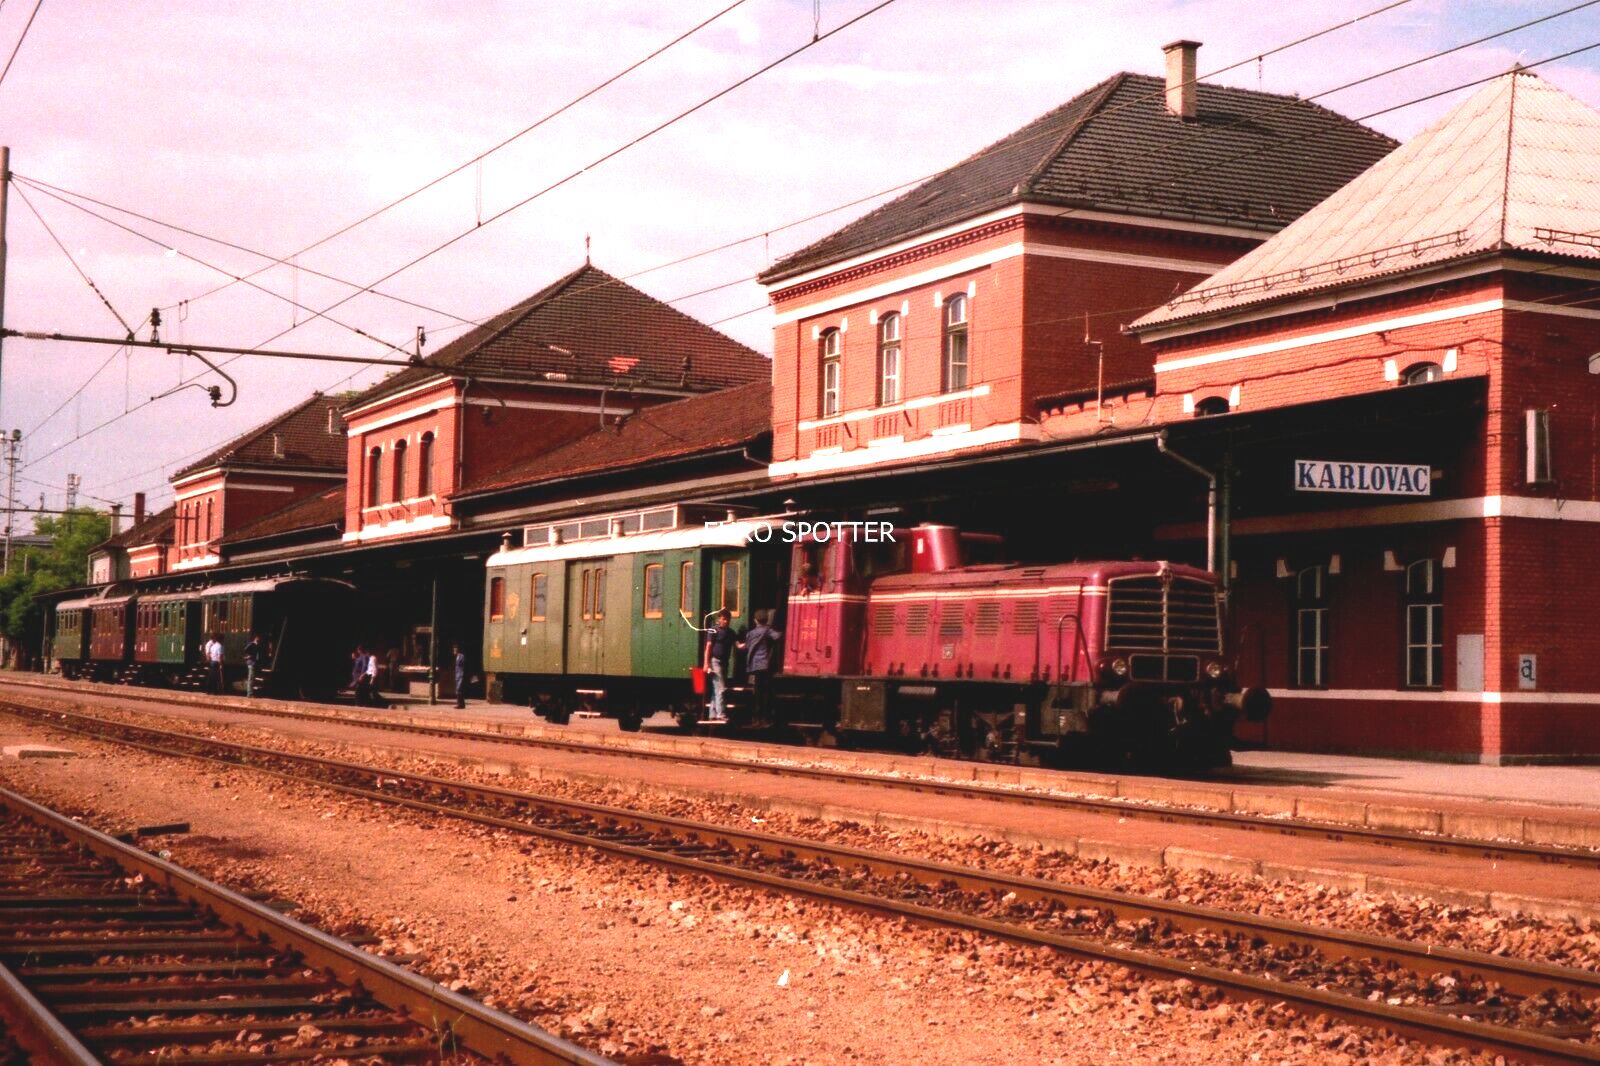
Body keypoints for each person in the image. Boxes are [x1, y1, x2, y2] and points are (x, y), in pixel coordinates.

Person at [742, 609, 783, 723]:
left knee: (757, 691)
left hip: (754, 665)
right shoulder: (767, 630)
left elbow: (746, 646)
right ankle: (765, 717)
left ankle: (756, 717)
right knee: (766, 691)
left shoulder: (750, 633)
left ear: (755, 620)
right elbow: (777, 637)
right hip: (764, 665)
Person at [702, 610, 736, 722]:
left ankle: (712, 714)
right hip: (715, 661)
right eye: (724, 619)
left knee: (716, 688)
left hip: (725, 662)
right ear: (719, 619)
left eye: (728, 619)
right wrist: (706, 664)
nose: (726, 621)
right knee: (721, 688)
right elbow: (708, 647)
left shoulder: (731, 633)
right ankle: (721, 714)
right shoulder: (713, 630)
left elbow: (738, 645)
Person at [243, 633, 261, 698]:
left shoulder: (256, 645)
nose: (259, 639)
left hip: (253, 662)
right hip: (251, 662)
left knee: (252, 678)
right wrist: (248, 656)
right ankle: (249, 694)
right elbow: (245, 650)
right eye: (258, 638)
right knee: (250, 678)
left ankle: (250, 693)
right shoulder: (252, 644)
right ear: (255, 638)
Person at [452, 644, 467, 709]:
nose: (454, 651)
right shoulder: (456, 657)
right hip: (457, 675)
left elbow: (463, 665)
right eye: (454, 650)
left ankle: (459, 704)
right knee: (459, 690)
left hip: (461, 675)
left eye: (455, 650)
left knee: (458, 690)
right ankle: (462, 704)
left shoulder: (461, 656)